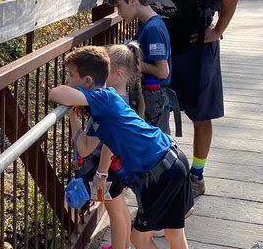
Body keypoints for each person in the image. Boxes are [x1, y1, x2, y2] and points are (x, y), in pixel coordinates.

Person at [30, 0, 240, 197]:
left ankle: (196, 175)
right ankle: (160, 172)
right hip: (163, 51)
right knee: (157, 113)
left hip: (197, 51)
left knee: (200, 116)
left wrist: (217, 30)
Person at [50, 46, 193, 249]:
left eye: (71, 76)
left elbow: (56, 93)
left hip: (160, 173)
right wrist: (73, 118)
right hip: (172, 161)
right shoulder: (103, 107)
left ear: (87, 82)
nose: (68, 81)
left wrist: (72, 92)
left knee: (139, 239)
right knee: (173, 232)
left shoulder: (104, 98)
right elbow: (84, 148)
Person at [108, 0, 172, 134]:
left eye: (119, 6)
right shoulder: (147, 24)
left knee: (157, 147)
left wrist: (131, 62)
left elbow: (163, 71)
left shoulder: (153, 29)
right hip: (148, 96)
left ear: (132, 0)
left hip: (154, 98)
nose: (119, 12)